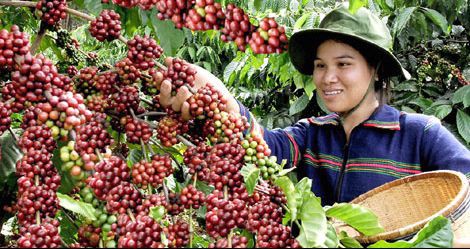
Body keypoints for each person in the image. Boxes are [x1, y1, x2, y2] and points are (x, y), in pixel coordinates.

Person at [156, 4, 470, 246]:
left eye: (343, 64)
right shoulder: (311, 133)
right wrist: (220, 99)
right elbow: (262, 146)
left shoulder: (420, 134)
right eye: (320, 66)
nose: (327, 77)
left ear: (375, 69)